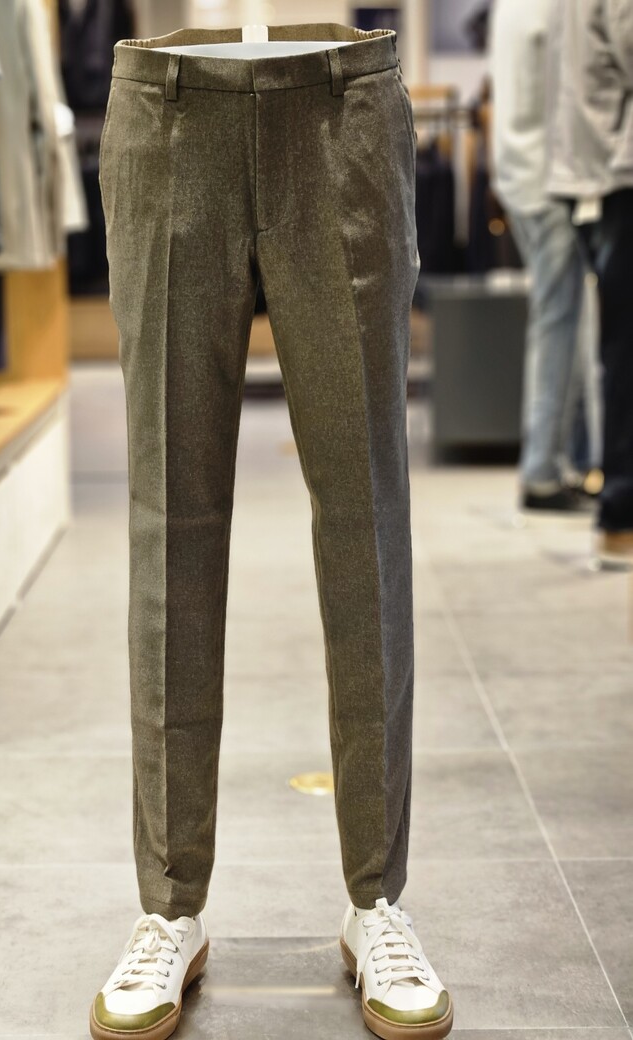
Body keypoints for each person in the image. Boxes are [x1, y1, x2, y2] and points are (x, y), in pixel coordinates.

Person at [88, 23, 453, 1040]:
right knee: (170, 520)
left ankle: (376, 900)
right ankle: (169, 907)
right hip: (166, 114)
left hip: (342, 110)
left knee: (364, 516)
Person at [490, 0, 599, 515]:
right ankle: (543, 471)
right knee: (560, 324)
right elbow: (569, 97)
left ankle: (564, 461)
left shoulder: (511, 7)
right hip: (549, 181)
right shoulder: (554, 8)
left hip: (519, 174)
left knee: (563, 321)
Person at [545, 0, 633, 566]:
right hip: (618, 171)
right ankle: (622, 516)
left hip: (587, 173)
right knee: (624, 357)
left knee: (616, 352)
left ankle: (619, 513)